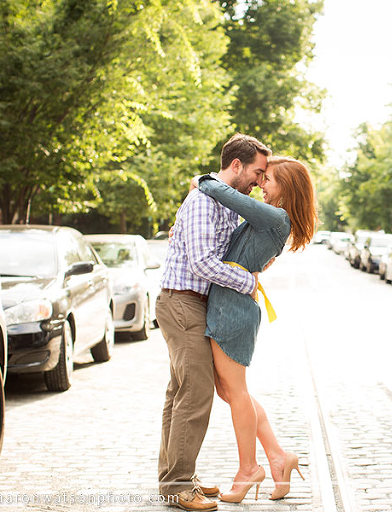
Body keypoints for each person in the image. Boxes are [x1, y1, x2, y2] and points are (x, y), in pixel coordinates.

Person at [155, 133, 270, 512]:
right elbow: (203, 263)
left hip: (192, 303)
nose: (258, 180)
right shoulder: (206, 198)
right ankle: (177, 484)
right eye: (256, 172)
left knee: (179, 392)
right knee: (196, 393)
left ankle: (175, 478)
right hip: (182, 302)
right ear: (235, 165)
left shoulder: (224, 201)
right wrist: (248, 282)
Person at [193, 156, 316, 503]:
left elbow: (227, 196)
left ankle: (249, 468)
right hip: (228, 305)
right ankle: (278, 457)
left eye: (269, 179)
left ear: (286, 188)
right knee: (232, 393)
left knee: (236, 393)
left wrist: (203, 180)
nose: (262, 184)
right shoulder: (273, 218)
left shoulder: (277, 217)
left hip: (233, 311)